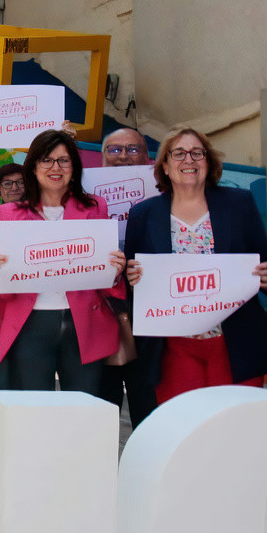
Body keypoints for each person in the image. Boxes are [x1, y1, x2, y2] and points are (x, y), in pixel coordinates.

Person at [122, 127, 267, 404]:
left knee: (234, 430)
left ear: (209, 163)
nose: (189, 160)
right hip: (173, 349)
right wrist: (132, 278)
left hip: (236, 344)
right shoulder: (142, 215)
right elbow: (130, 283)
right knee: (185, 431)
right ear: (166, 166)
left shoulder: (239, 204)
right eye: (179, 153)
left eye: (197, 153)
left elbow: (265, 263)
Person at [0, 128, 128, 398]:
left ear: (74, 168)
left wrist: (114, 270)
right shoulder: (9, 213)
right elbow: (2, 287)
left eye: (64, 160)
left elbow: (104, 275)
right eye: (46, 160)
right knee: (34, 408)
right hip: (31, 324)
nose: (56, 167)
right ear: (33, 167)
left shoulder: (94, 207)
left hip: (84, 324)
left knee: (84, 408)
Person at [95, 125, 157, 424]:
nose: (123, 157)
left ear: (148, 158)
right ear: (102, 158)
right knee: (101, 414)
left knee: (150, 410)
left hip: (152, 320)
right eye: (114, 150)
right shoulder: (83, 201)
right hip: (101, 317)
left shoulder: (165, 204)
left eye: (133, 149)